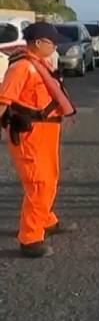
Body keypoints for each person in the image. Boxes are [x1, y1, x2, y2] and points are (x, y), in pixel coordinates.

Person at [0, 22, 79, 258]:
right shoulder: (22, 67)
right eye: (52, 43)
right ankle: (30, 238)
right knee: (38, 183)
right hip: (29, 134)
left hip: (46, 132)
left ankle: (45, 219)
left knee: (50, 178)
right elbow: (3, 100)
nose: (55, 47)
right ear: (38, 43)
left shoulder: (40, 63)